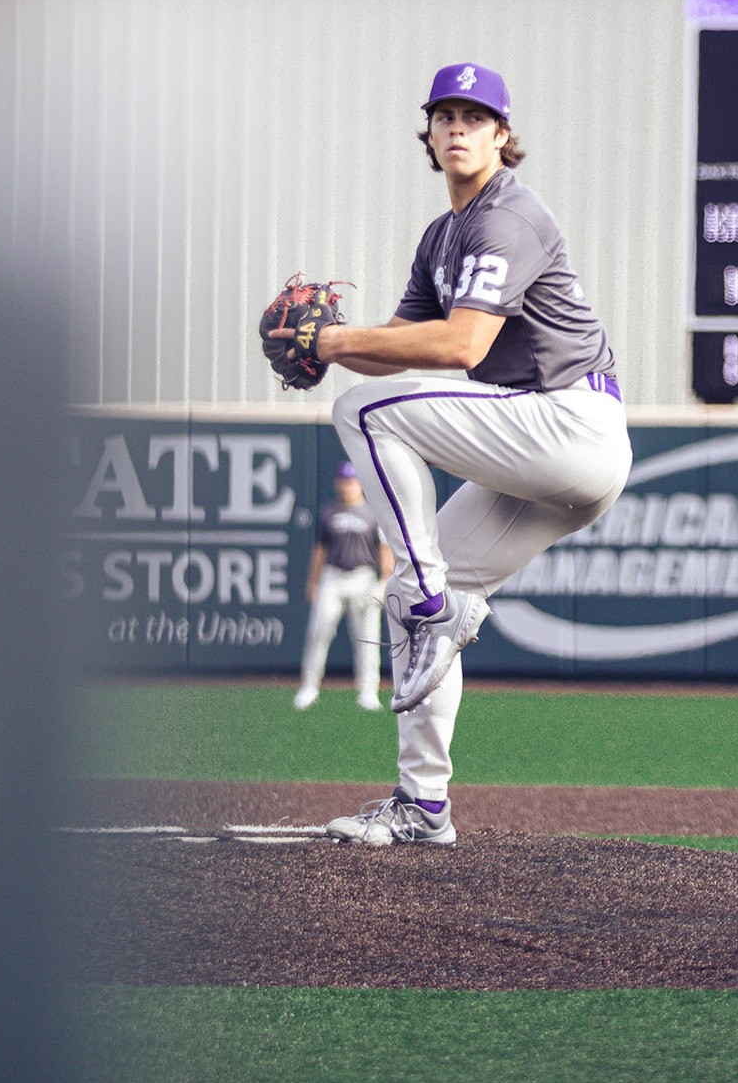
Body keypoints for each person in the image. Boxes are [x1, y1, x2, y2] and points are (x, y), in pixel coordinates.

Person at [271, 62, 633, 846]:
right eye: (446, 116)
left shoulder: (508, 215)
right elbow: (403, 351)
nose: (459, 127)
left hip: (569, 424)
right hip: (536, 450)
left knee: (362, 416)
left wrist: (332, 341)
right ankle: (423, 804)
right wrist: (334, 349)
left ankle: (438, 599)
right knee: (401, 602)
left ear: (504, 138)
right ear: (429, 136)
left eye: (477, 116)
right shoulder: (441, 237)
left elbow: (464, 345)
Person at [294, 461, 393, 711]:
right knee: (319, 632)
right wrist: (312, 583)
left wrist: (384, 580)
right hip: (333, 576)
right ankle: (309, 686)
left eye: (352, 481)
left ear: (359, 484)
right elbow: (319, 551)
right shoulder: (329, 512)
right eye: (344, 481)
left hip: (363, 576)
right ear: (338, 484)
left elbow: (384, 550)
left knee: (368, 638)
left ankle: (369, 691)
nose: (348, 486)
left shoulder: (373, 513)